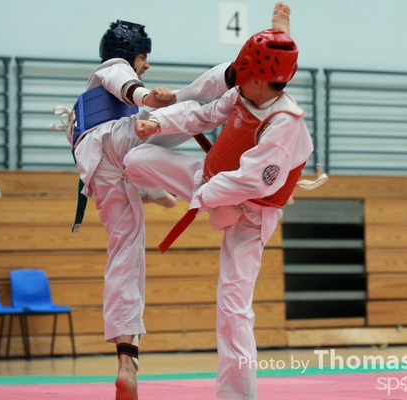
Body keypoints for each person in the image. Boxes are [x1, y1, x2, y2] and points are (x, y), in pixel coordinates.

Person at [124, 28, 314, 400]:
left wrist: (204, 198)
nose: (238, 77)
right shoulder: (243, 93)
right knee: (137, 159)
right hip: (208, 182)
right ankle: (158, 193)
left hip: (250, 215)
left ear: (261, 79)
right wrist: (158, 123)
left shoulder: (285, 123)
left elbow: (252, 181)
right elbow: (203, 114)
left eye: (246, 72)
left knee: (233, 309)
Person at [59, 19, 178, 400]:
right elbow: (123, 82)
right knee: (185, 111)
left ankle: (127, 359)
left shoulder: (84, 106)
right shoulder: (112, 67)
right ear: (130, 54)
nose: (146, 65)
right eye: (143, 57)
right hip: (113, 141)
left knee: (126, 257)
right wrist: (147, 97)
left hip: (99, 174)